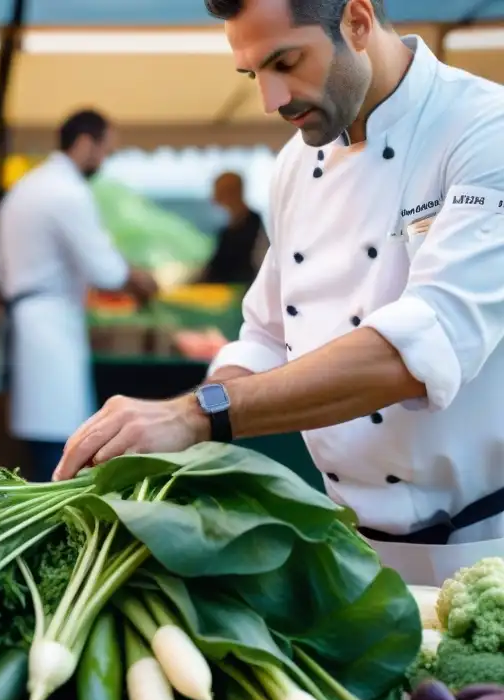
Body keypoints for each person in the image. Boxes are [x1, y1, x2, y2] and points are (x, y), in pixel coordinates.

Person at [54, 0, 504, 586]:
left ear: (358, 21)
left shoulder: (484, 131)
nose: (270, 99)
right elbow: (266, 338)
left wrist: (197, 415)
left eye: (286, 62)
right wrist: (158, 437)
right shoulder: (296, 164)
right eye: (252, 75)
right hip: (352, 552)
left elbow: (422, 347)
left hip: (486, 552)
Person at [0, 109, 158, 481]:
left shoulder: (26, 186)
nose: (105, 161)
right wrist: (139, 279)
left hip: (25, 319)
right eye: (105, 150)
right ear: (84, 143)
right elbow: (106, 271)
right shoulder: (67, 191)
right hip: (50, 322)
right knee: (59, 445)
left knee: (36, 437)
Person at [199, 171, 268, 284]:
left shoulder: (255, 228)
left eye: (218, 190)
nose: (214, 196)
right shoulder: (227, 231)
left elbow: (257, 265)